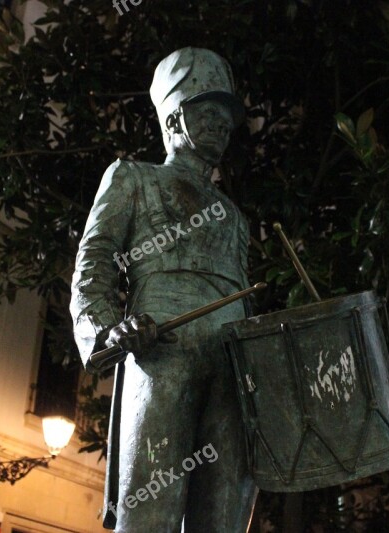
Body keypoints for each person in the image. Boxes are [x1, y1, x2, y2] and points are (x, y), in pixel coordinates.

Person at [70, 47, 257, 532]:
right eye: (208, 111)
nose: (221, 124)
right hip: (160, 354)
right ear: (174, 117)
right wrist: (105, 330)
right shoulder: (132, 177)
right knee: (149, 515)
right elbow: (94, 261)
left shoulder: (234, 216)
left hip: (232, 367)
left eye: (226, 116)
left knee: (224, 519)